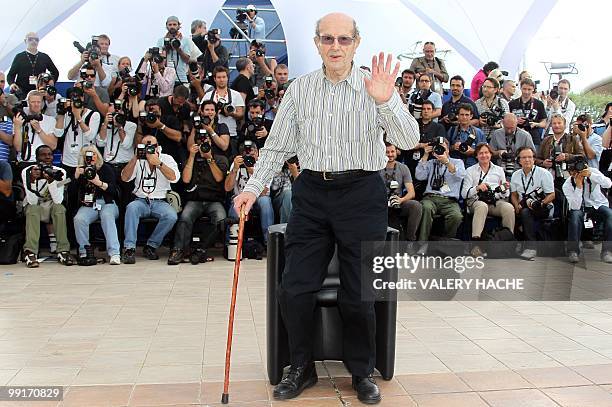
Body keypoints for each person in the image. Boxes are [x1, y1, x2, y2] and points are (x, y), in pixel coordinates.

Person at [232, 13, 419, 404]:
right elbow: (278, 147)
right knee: (293, 287)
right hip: (313, 192)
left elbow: (409, 138)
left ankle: (361, 371)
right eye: (328, 39)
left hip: (363, 193)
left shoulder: (375, 86)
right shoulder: (299, 90)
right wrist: (252, 187)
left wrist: (385, 103)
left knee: (359, 294)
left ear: (356, 43)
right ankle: (301, 367)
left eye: (344, 39)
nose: (336, 46)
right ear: (317, 43)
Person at [168, 136, 229, 265]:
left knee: (221, 219)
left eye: (206, 143)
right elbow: (185, 179)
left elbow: (219, 178)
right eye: (201, 143)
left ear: (211, 144)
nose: (203, 146)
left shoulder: (220, 159)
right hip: (195, 200)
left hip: (214, 200)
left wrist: (209, 159)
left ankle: (202, 249)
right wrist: (191, 156)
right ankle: (179, 249)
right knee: (185, 217)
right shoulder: (191, 158)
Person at [120, 135, 180, 264]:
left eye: (151, 146)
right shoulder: (138, 160)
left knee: (171, 216)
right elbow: (124, 178)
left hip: (159, 201)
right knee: (131, 208)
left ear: (157, 147)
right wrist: (135, 158)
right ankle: (129, 248)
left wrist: (159, 163)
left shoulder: (166, 158)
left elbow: (174, 178)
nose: (148, 149)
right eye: (145, 147)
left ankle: (151, 245)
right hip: (140, 200)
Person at [21, 145, 74, 267]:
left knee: (60, 209)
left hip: (51, 204)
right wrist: (33, 181)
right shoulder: (27, 171)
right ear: (37, 157)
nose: (47, 157)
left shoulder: (60, 172)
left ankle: (63, 250)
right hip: (35, 204)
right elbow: (32, 201)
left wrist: (50, 181)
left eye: (50, 154)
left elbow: (58, 200)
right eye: (43, 155)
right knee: (33, 209)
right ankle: (30, 252)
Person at [462, 143, 514, 256]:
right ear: (476, 156)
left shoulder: (499, 170)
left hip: (494, 201)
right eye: (481, 153)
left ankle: (507, 242)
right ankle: (476, 246)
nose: (484, 155)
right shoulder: (470, 170)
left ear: (490, 154)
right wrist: (477, 188)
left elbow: (506, 193)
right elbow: (464, 193)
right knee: (482, 206)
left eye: (486, 152)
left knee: (509, 208)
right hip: (476, 202)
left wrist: (503, 190)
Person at [73, 146, 121, 265]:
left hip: (107, 202)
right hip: (89, 204)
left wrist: (98, 183)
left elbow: (114, 190)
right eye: (88, 155)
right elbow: (72, 193)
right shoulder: (82, 169)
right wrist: (76, 177)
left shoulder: (106, 168)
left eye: (94, 154)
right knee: (79, 219)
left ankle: (114, 253)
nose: (91, 157)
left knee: (107, 216)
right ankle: (84, 252)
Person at [416, 138, 465, 247]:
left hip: (449, 201)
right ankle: (422, 245)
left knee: (456, 216)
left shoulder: (457, 162)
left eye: (443, 148)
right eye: (438, 148)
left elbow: (460, 176)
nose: (441, 150)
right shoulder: (430, 162)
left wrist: (447, 162)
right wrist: (425, 155)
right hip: (431, 198)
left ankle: (446, 245)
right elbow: (419, 176)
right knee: (426, 208)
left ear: (448, 150)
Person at [510, 146, 555, 260]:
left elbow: (552, 195)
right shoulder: (515, 175)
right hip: (522, 205)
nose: (527, 160)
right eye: (524, 157)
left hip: (543, 206)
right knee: (512, 211)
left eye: (530, 157)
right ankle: (515, 244)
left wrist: (540, 203)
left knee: (526, 212)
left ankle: (531, 247)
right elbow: (514, 194)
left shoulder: (543, 173)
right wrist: (516, 206)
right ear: (519, 160)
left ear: (534, 159)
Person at [225, 142, 273, 246]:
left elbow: (265, 192)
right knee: (235, 204)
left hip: (259, 197)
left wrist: (252, 171)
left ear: (257, 152)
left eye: (252, 155)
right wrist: (235, 170)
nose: (250, 158)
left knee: (265, 202)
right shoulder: (237, 164)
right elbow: (227, 188)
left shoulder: (264, 164)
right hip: (241, 198)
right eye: (247, 156)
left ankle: (269, 243)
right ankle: (231, 244)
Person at [562, 163, 612, 263]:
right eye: (574, 171)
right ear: (570, 173)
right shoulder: (567, 184)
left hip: (597, 205)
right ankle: (573, 251)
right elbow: (575, 206)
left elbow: (608, 184)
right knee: (575, 216)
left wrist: (591, 175)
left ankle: (607, 251)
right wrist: (579, 186)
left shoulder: (592, 171)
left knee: (610, 215)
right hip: (580, 207)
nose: (579, 172)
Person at [381, 143, 422, 243]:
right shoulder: (377, 168)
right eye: (387, 152)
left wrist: (401, 200)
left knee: (416, 205)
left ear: (397, 152)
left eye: (392, 152)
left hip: (398, 201)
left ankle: (410, 241)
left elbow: (411, 193)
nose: (390, 154)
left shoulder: (403, 168)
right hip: (381, 202)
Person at [202, 66, 245, 151]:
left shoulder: (236, 94)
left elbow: (241, 114)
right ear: (214, 79)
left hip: (231, 133)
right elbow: (201, 111)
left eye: (224, 77)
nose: (221, 80)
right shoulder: (208, 95)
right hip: (211, 133)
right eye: (219, 77)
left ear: (228, 78)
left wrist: (231, 113)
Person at [7, 32, 59, 99]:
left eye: (36, 39)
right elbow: (10, 75)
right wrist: (12, 84)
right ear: (25, 41)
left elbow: (55, 72)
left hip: (39, 92)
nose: (34, 41)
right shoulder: (19, 57)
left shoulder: (44, 57)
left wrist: (51, 81)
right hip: (22, 93)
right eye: (30, 39)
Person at [12, 90, 57, 166]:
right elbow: (18, 148)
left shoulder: (51, 120)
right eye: (33, 102)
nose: (36, 104)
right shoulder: (19, 120)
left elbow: (53, 146)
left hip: (43, 162)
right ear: (28, 103)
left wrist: (39, 130)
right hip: (23, 161)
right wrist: (17, 127)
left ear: (42, 103)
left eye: (38, 102)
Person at [157, 16, 202, 86]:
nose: (172, 27)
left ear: (178, 26)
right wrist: (166, 47)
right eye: (170, 24)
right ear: (166, 26)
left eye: (174, 24)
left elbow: (187, 60)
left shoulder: (186, 40)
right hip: (165, 79)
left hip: (181, 77)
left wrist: (178, 49)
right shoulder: (161, 41)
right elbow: (159, 60)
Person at [489, 113, 535, 178]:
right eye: (507, 128)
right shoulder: (496, 134)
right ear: (502, 123)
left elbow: (533, 155)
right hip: (500, 170)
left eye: (512, 128)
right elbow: (490, 153)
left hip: (520, 170)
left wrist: (520, 155)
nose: (509, 131)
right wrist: (499, 153)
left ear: (516, 124)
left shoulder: (525, 136)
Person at [508, 78, 547, 147]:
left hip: (533, 138)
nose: (526, 92)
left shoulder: (539, 104)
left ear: (533, 89)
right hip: (516, 138)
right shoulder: (512, 104)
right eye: (524, 89)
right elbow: (506, 121)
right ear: (520, 88)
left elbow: (544, 123)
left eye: (529, 89)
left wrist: (535, 124)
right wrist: (515, 121)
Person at [447, 104, 486, 168]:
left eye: (467, 115)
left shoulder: (478, 132)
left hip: (473, 167)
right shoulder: (452, 131)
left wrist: (473, 151)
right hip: (455, 166)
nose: (464, 117)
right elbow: (445, 149)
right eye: (462, 115)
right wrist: (453, 147)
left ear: (471, 116)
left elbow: (484, 152)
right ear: (457, 116)